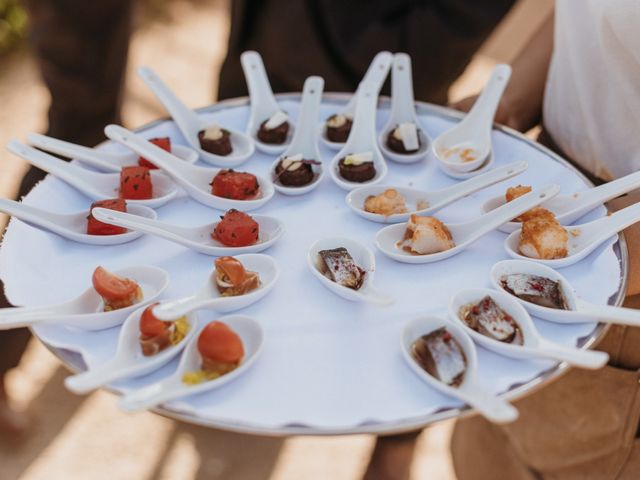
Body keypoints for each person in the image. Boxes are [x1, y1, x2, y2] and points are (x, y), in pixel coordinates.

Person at [2, 3, 516, 476]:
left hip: (389, 54)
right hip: (264, 41)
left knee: (407, 291)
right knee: (79, 130)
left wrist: (406, 50)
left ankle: (396, 441)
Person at [450, 1, 640, 478]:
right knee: (483, 450)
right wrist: (505, 105)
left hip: (621, 277)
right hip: (539, 192)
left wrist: (594, 256)